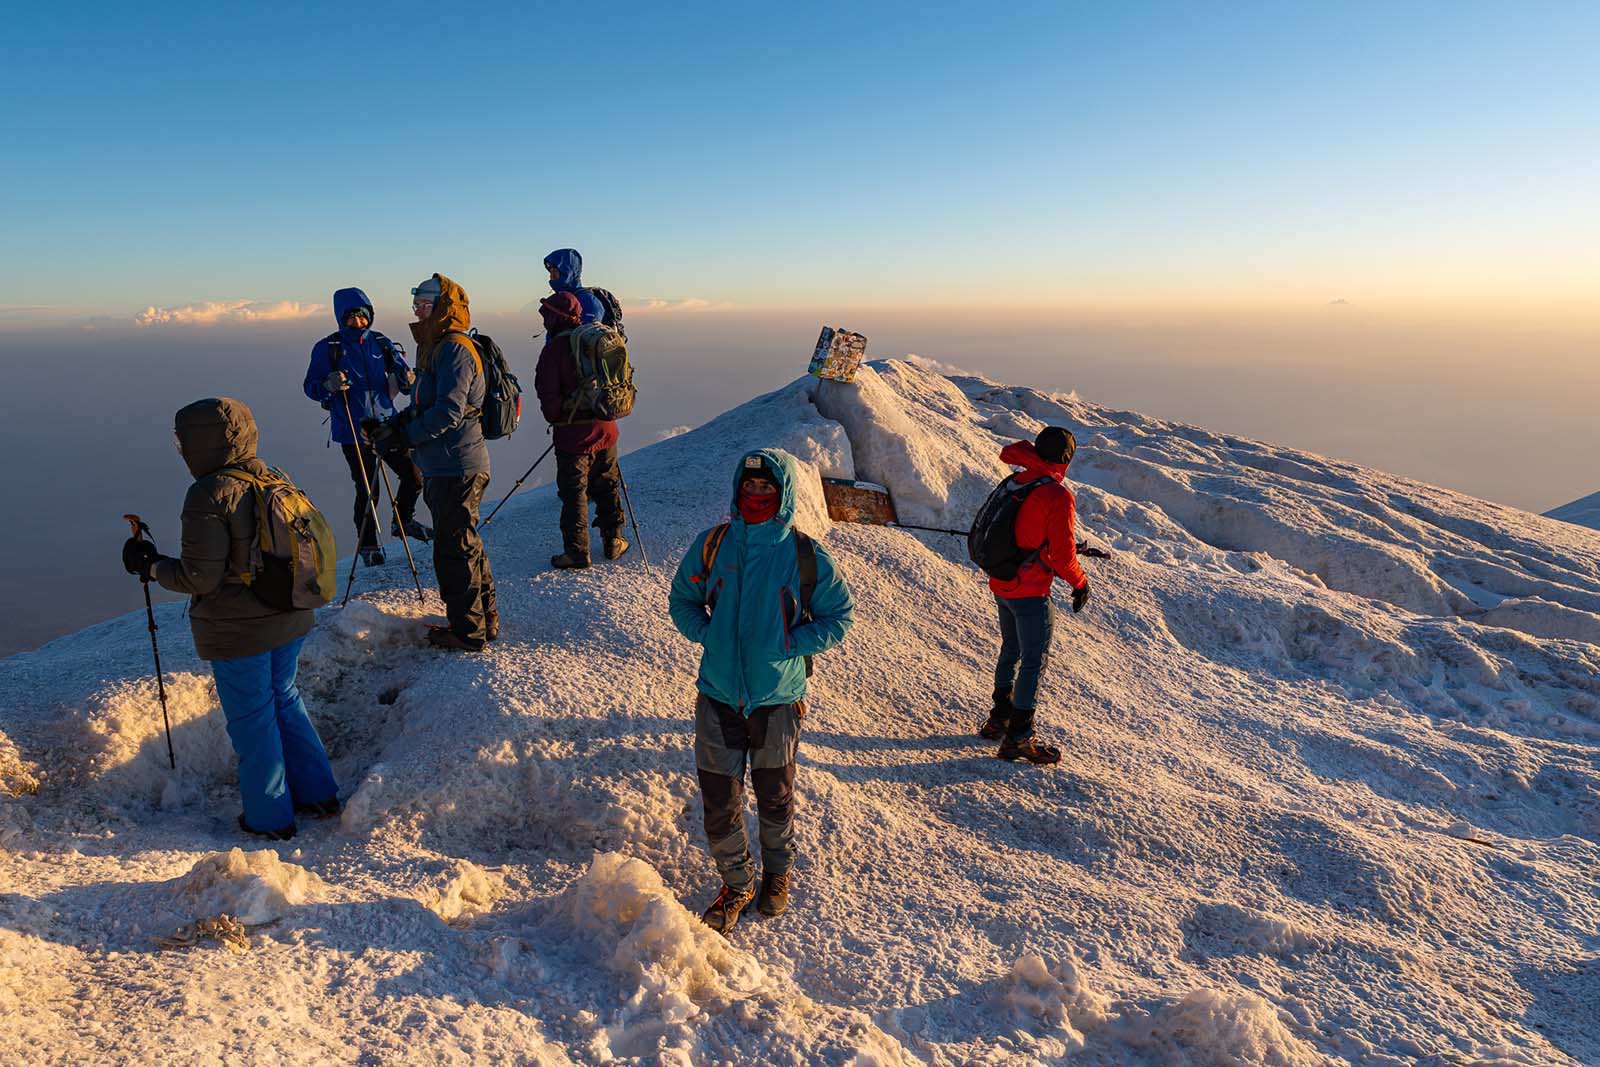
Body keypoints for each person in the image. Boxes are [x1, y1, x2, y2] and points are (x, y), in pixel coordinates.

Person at [121, 397, 339, 840]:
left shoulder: (208, 493)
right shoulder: (272, 475)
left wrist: (151, 565)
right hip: (290, 613)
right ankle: (319, 793)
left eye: (182, 440)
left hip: (241, 628)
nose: (179, 448)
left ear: (202, 442)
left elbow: (200, 576)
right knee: (284, 699)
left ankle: (269, 819)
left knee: (253, 720)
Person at [668, 450, 855, 934]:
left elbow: (840, 617)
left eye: (766, 489)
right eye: (749, 488)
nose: (756, 497)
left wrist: (793, 641)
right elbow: (683, 600)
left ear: (783, 494)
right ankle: (737, 882)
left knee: (775, 798)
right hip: (717, 695)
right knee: (719, 803)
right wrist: (709, 634)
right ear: (737, 490)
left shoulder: (804, 555)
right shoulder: (713, 545)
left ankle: (777, 874)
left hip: (776, 701)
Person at [365, 274, 498, 651]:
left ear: (443, 307)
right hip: (448, 463)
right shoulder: (438, 347)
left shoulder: (453, 349)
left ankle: (468, 632)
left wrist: (404, 437)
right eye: (416, 304)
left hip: (456, 465)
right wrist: (392, 425)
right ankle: (483, 621)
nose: (418, 311)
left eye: (424, 304)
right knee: (464, 544)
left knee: (453, 551)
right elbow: (426, 406)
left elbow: (448, 412)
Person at [980, 426, 1090, 765]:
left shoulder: (1018, 481)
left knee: (1010, 648)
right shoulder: (1056, 495)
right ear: (1066, 460)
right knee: (1033, 660)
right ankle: (1019, 737)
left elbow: (1024, 535)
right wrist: (1080, 583)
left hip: (1002, 581)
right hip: (1030, 590)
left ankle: (999, 718)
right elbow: (1060, 556)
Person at [303, 288, 431, 567]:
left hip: (387, 425)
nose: (358, 321)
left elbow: (405, 379)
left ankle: (403, 521)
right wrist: (328, 385)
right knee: (367, 488)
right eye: (351, 316)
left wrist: (407, 380)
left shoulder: (382, 343)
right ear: (341, 318)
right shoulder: (329, 348)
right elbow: (310, 387)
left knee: (414, 475)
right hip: (352, 429)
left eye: (362, 315)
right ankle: (369, 544)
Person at [533, 291, 628, 569]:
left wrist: (561, 414)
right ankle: (614, 540)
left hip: (574, 437)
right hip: (607, 428)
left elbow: (549, 403)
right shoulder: (594, 341)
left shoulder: (553, 352)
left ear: (555, 317)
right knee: (608, 483)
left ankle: (576, 552)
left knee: (574, 494)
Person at [543, 248, 604, 325]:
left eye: (555, 271)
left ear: (567, 273)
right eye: (550, 272)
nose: (551, 276)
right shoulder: (560, 300)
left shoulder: (588, 301)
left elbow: (588, 333)